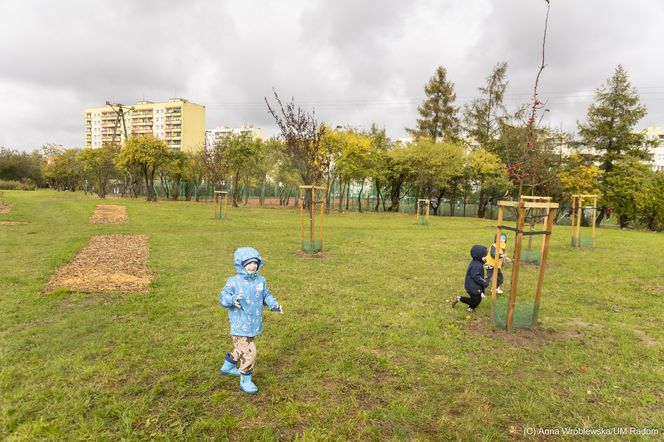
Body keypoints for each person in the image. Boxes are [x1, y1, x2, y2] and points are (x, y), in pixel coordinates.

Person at [219, 247, 283, 395]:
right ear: (240, 265)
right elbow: (223, 297)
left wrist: (274, 305)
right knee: (249, 352)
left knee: (241, 348)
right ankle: (245, 380)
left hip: (254, 323)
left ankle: (227, 367)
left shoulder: (261, 280)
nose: (252, 266)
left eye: (255, 263)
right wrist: (232, 300)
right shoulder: (234, 282)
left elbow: (266, 295)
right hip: (240, 324)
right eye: (248, 263)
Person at [452, 245, 488, 312]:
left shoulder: (476, 262)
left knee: (477, 299)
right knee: (474, 300)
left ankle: (470, 309)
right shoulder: (477, 265)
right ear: (479, 256)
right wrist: (484, 282)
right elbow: (475, 276)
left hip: (472, 285)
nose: (486, 257)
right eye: (485, 255)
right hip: (472, 286)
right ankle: (459, 298)